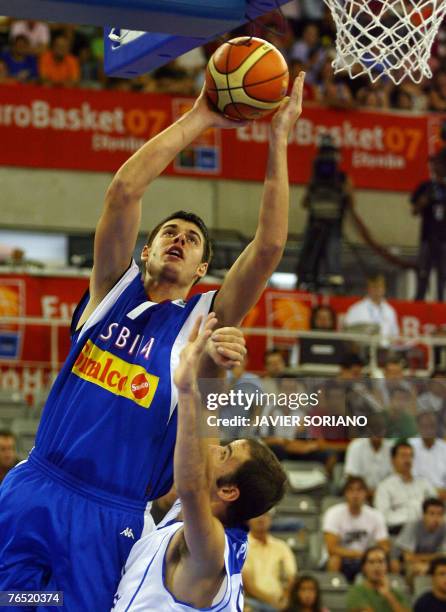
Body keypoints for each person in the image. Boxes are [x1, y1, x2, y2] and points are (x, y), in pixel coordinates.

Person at [0, 73, 306, 609]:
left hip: (111, 514)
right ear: (146, 249)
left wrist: (278, 139)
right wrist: (201, 118)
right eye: (169, 233)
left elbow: (269, 247)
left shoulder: (202, 322)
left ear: (203, 268)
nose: (179, 240)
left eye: (192, 241)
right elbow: (122, 191)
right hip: (36, 484)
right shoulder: (109, 290)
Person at [112, 314, 288, 610]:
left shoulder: (210, 549)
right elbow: (209, 406)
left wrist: (185, 390)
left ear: (229, 491)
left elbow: (191, 487)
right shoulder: (199, 516)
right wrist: (216, 352)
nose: (215, 448)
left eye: (225, 454)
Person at [296, 135, 353, 289]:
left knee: (332, 250)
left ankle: (333, 278)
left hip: (333, 222)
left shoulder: (342, 178)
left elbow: (351, 203)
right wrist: (312, 188)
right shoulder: (315, 178)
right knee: (309, 252)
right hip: (315, 221)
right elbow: (305, 202)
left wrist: (345, 190)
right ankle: (306, 276)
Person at [323, 476, 389, 582]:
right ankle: (333, 588)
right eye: (351, 490)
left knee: (378, 562)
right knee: (334, 560)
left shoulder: (376, 515)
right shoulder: (333, 514)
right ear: (345, 493)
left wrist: (369, 557)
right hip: (342, 558)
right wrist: (358, 554)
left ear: (365, 494)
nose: (355, 495)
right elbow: (331, 548)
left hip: (365, 560)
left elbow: (384, 546)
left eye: (359, 490)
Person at [374, 441, 436, 535]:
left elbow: (437, 507)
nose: (407, 460)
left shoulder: (424, 483)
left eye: (410, 456)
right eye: (403, 456)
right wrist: (410, 521)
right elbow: (382, 517)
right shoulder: (384, 487)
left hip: (427, 530)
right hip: (398, 531)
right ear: (392, 460)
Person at [243, 510, 297, 611]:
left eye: (265, 515)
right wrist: (271, 601)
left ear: (271, 519)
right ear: (248, 520)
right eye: (257, 515)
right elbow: (247, 584)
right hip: (251, 601)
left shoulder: (282, 546)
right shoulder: (241, 546)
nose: (261, 518)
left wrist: (284, 599)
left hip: (279, 603)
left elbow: (291, 577)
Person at [411, 151, 446, 301]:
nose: (437, 167)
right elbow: (414, 211)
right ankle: (419, 301)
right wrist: (424, 201)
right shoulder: (425, 186)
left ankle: (440, 303)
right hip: (427, 237)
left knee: (442, 274)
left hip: (444, 239)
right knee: (423, 272)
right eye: (435, 164)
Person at [346, 546, 411, 612]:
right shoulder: (356, 592)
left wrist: (389, 595)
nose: (377, 566)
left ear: (387, 566)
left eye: (381, 562)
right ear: (364, 567)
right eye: (371, 562)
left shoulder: (396, 593)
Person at [396, 498, 446, 578]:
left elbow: (443, 556)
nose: (436, 518)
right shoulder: (413, 525)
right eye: (432, 514)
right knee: (417, 569)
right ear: (424, 515)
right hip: (405, 563)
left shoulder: (444, 527)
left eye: (440, 514)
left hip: (432, 563)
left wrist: (429, 561)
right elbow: (408, 558)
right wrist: (435, 557)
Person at [343, 274, 399, 344]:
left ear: (384, 289)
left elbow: (395, 336)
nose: (377, 290)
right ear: (368, 289)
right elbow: (347, 334)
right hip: (362, 351)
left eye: (380, 286)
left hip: (384, 351)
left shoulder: (390, 311)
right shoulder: (355, 310)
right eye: (374, 287)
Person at [410, 411, 446, 500]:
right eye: (425, 426)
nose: (429, 430)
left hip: (442, 495)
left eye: (432, 426)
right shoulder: (409, 447)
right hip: (416, 495)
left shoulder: (444, 448)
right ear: (418, 427)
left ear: (437, 427)